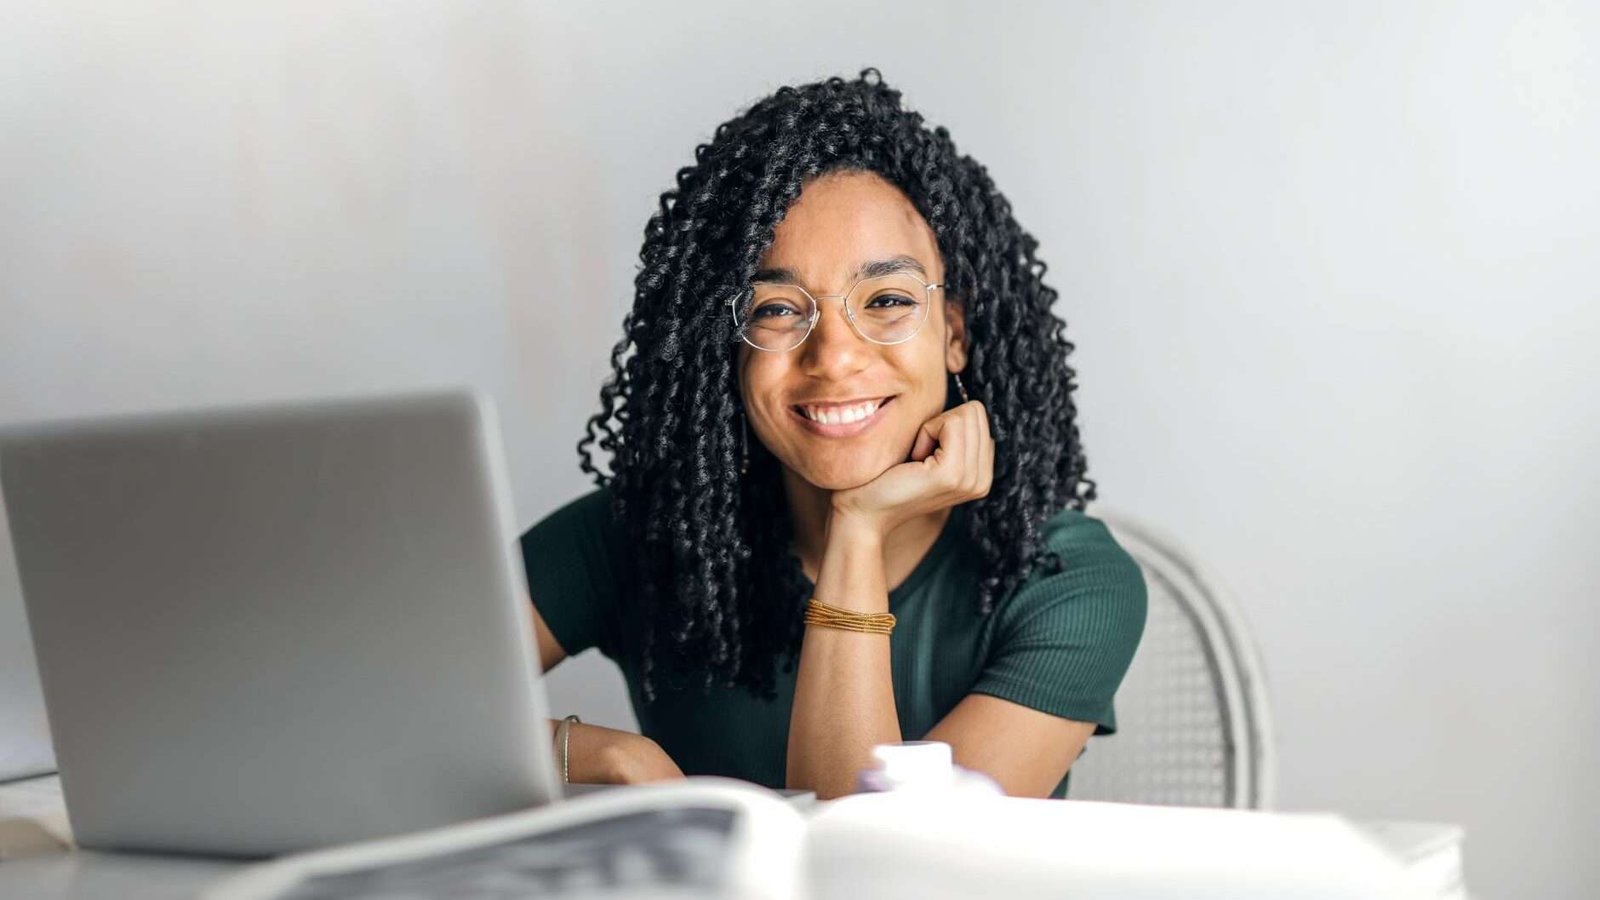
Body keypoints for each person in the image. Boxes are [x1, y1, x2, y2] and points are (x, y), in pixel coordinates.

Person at [521, 70, 1146, 800]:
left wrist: (858, 528)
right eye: (778, 309)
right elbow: (372, 709)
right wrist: (599, 754)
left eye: (885, 300)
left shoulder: (1065, 581)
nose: (836, 356)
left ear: (955, 333)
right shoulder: (640, 534)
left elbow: (877, 867)